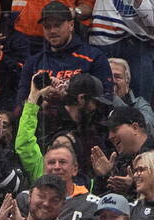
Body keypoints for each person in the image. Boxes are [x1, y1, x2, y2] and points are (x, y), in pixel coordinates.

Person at [15, 3, 113, 141]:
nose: (52, 31)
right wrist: (39, 97)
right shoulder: (33, 62)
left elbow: (106, 100)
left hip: (83, 133)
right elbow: (20, 104)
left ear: (71, 25)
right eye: (47, 27)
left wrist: (67, 96)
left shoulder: (94, 57)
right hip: (43, 133)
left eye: (57, 25)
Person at [89, 107, 153, 200]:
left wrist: (134, 185)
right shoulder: (120, 163)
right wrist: (104, 177)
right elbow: (97, 203)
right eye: (109, 132)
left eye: (115, 130)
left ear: (135, 128)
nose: (110, 136)